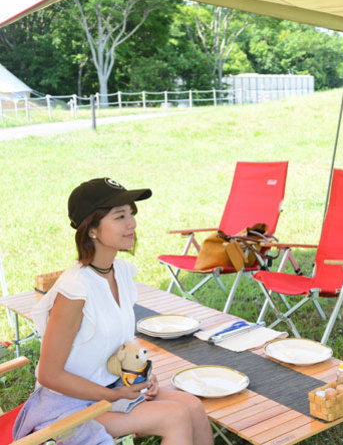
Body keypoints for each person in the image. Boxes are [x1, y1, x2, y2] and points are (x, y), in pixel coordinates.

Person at [13, 177, 213, 445]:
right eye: (120, 216)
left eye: (131, 213)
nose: (132, 223)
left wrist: (141, 376)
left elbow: (120, 344)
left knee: (192, 406)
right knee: (174, 415)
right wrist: (113, 395)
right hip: (67, 405)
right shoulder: (75, 292)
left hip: (112, 388)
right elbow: (50, 374)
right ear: (92, 229)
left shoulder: (121, 272)